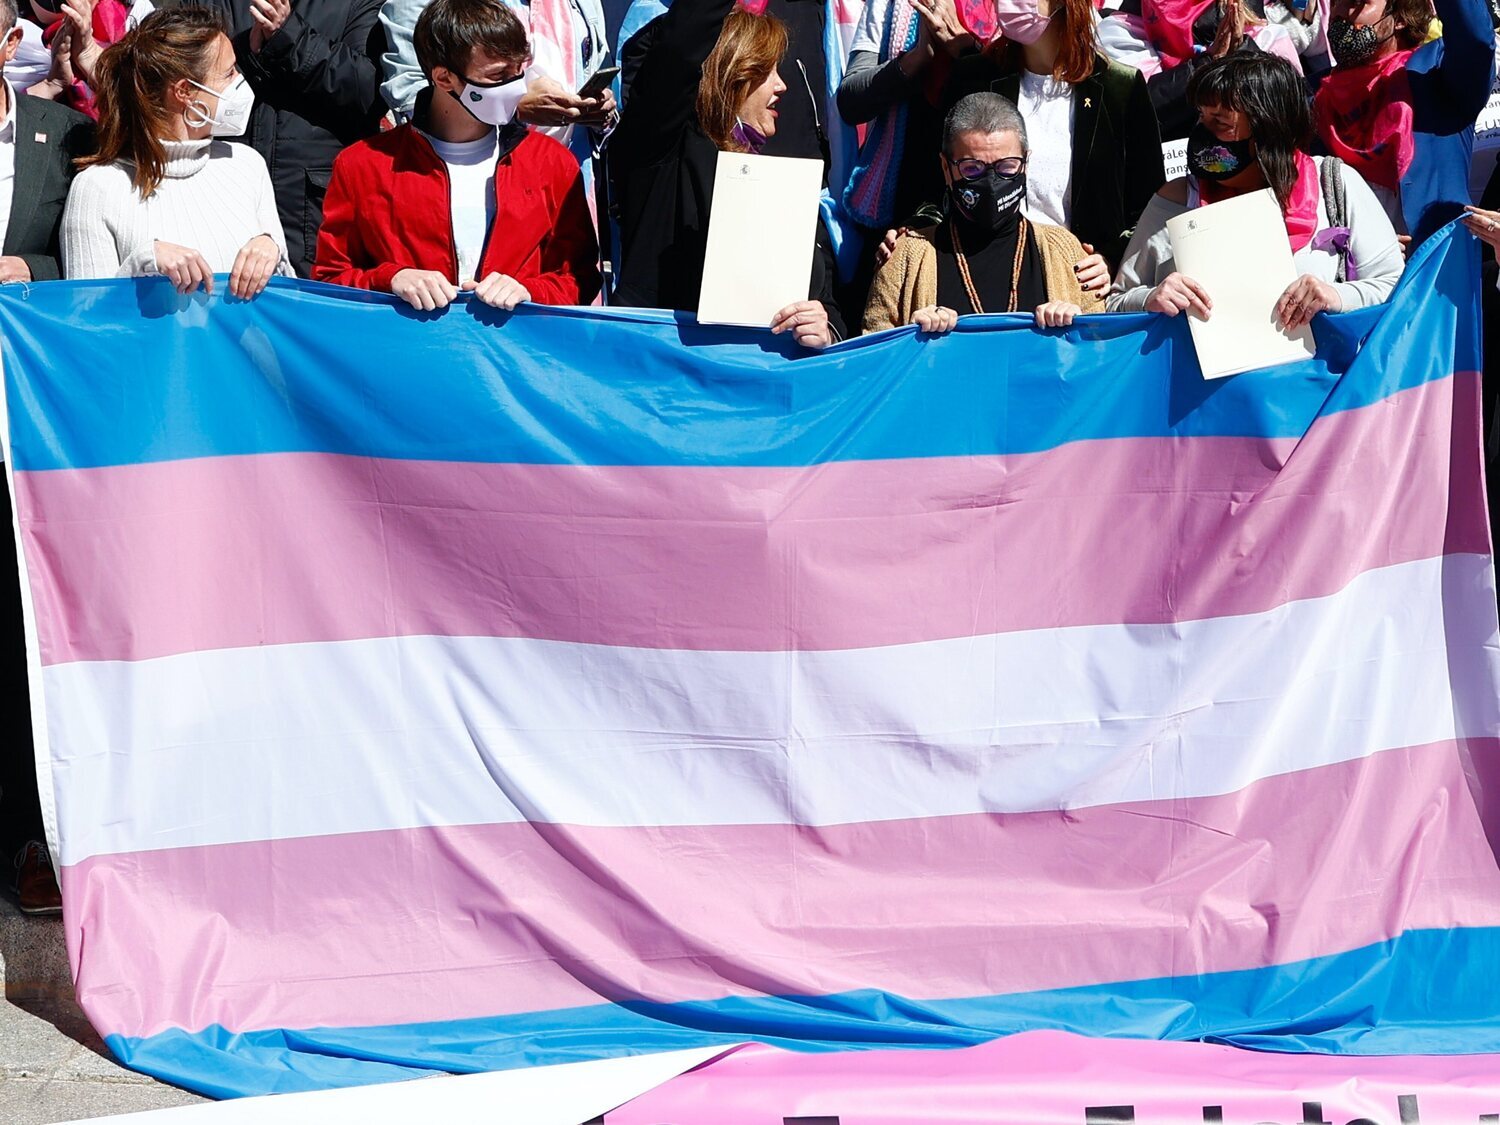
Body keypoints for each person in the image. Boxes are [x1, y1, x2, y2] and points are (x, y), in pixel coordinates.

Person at [313, 0, 600, 309]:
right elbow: (329, 280)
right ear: (443, 78)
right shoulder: (363, 165)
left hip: (510, 353)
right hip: (408, 350)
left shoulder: (552, 163)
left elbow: (580, 278)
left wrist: (530, 292)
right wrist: (390, 279)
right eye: (497, 76)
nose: (518, 88)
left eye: (520, 71)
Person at [0, 0, 93, 918]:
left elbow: (98, 251)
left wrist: (39, 274)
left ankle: (34, 839)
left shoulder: (61, 132)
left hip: (31, 417)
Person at [1108, 51, 1403, 329]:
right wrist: (1150, 298)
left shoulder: (1334, 186)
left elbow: (1395, 286)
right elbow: (1116, 304)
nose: (1202, 132)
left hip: (1321, 380)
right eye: (1201, 117)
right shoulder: (1176, 198)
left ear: (1267, 131)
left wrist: (1336, 296)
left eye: (1220, 122)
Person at [609, 0, 845, 346]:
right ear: (733, 74)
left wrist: (824, 330)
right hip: (665, 375)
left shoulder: (780, 185)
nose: (782, 87)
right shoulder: (665, 150)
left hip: (761, 379)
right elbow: (679, 51)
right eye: (768, 72)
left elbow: (824, 300)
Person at [60, 7, 291, 292]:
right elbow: (84, 321)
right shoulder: (98, 188)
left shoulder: (247, 165)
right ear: (184, 91)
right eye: (229, 73)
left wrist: (271, 249)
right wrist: (141, 264)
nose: (240, 82)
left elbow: (285, 297)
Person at [941, 0, 1166, 282]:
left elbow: (1148, 204)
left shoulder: (1119, 88)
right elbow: (934, 181)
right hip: (982, 274)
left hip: (1074, 282)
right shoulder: (972, 77)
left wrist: (1111, 258)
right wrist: (915, 226)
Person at [863, 92, 1104, 334]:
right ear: (946, 168)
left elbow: (1101, 349)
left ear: (1026, 163)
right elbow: (873, 357)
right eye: (972, 168)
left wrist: (1077, 330)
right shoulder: (904, 258)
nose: (991, 182)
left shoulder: (1066, 252)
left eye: (1006, 166)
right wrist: (909, 337)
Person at [195, 0, 386, 276]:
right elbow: (185, 74)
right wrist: (247, 52)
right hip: (222, 199)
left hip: (313, 211)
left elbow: (369, 92)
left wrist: (291, 38)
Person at [1313, 0, 1493, 245]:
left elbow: (1475, 40)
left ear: (1400, 18)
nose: (1341, 14)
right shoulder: (1314, 94)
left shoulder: (1436, 72)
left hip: (1434, 264)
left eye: (1356, 3)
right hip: (1351, 270)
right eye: (1336, 3)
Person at [379, 0, 615, 161]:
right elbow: (410, 93)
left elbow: (593, 65)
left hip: (570, 178)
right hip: (477, 179)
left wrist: (597, 110)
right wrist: (507, 106)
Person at [836, 0, 973, 235]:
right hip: (897, 201)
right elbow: (850, 102)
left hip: (978, 196)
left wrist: (964, 49)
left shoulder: (1007, 7)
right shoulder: (890, 4)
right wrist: (917, 58)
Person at [1098, 0, 1304, 142]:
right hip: (1165, 194)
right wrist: (1206, 65)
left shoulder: (1265, 36)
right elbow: (1124, 117)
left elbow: (1297, 119)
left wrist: (1242, 56)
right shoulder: (1118, 33)